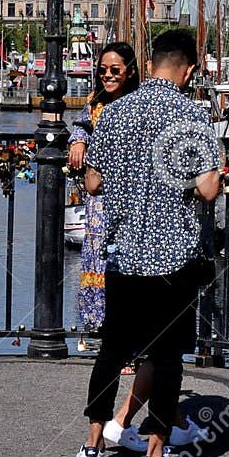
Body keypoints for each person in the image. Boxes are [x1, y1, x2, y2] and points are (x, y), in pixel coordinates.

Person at [79, 29, 222, 457]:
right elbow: (208, 188)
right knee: (165, 356)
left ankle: (92, 444)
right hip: (171, 258)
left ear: (152, 61)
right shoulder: (191, 116)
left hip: (123, 254)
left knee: (112, 350)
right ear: (189, 70)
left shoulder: (115, 113)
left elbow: (93, 183)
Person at [68, 43, 141, 343]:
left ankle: (129, 337)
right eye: (102, 71)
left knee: (128, 258)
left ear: (130, 72)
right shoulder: (94, 103)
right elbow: (82, 126)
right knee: (98, 254)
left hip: (129, 194)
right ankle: (101, 328)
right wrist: (78, 142)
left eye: (115, 70)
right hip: (99, 195)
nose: (107, 76)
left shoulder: (138, 104)